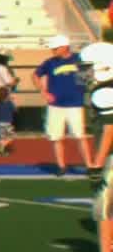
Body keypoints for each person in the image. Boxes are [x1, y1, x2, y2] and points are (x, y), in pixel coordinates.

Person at [75, 41, 113, 252]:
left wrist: (97, 163)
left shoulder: (103, 93)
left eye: (88, 68)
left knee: (104, 211)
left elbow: (110, 129)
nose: (84, 73)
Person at [33, 35, 90, 174]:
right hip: (56, 105)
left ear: (65, 47)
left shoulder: (80, 59)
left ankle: (90, 165)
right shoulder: (50, 62)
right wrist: (43, 92)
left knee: (80, 136)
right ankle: (61, 165)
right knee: (56, 137)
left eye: (56, 48)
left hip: (75, 104)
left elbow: (88, 79)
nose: (53, 51)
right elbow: (35, 75)